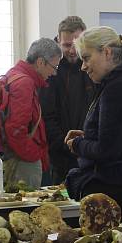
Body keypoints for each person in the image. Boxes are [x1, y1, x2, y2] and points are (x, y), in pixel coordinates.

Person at [64, 26, 122, 215]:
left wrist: (78, 144)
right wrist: (89, 136)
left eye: (86, 58)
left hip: (117, 188)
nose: (83, 66)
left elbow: (107, 150)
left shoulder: (117, 88)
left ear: (106, 52)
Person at [40, 16, 96, 185]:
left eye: (76, 44)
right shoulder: (51, 71)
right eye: (66, 45)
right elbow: (48, 115)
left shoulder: (93, 67)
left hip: (92, 153)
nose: (72, 50)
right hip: (62, 157)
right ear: (58, 41)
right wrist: (67, 146)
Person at [1, 37, 61, 190]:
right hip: (24, 163)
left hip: (17, 157)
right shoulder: (24, 83)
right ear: (41, 62)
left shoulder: (14, 74)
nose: (53, 73)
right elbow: (16, 129)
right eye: (54, 67)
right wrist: (35, 156)